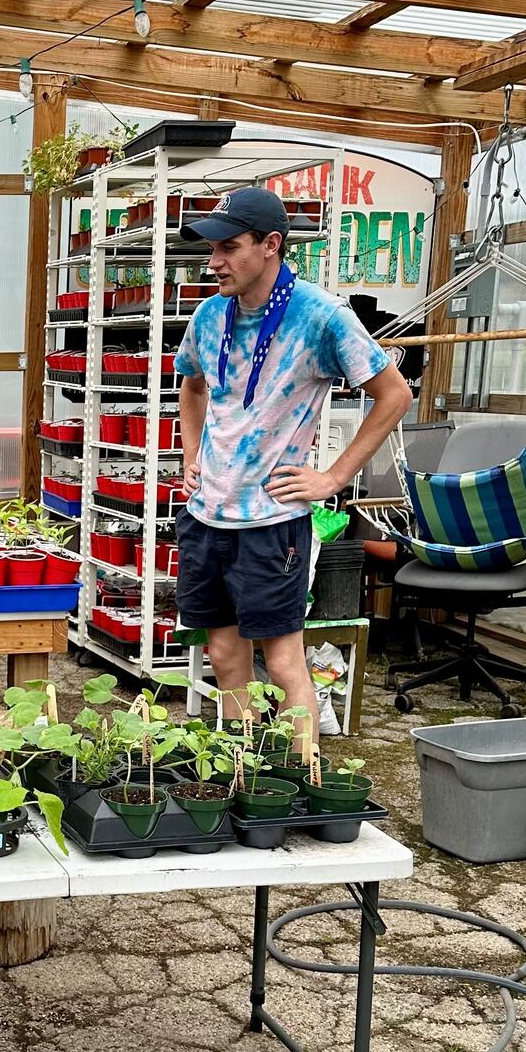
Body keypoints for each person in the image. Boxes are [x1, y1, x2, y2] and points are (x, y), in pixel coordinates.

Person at [173, 187, 411, 750]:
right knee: (225, 654)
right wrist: (190, 455)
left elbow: (394, 395)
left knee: (282, 663)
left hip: (273, 521)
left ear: (271, 244)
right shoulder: (211, 315)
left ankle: (302, 779)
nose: (214, 263)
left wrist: (333, 478)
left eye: (228, 248)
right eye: (211, 250)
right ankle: (239, 773)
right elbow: (191, 383)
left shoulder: (322, 317)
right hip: (207, 517)